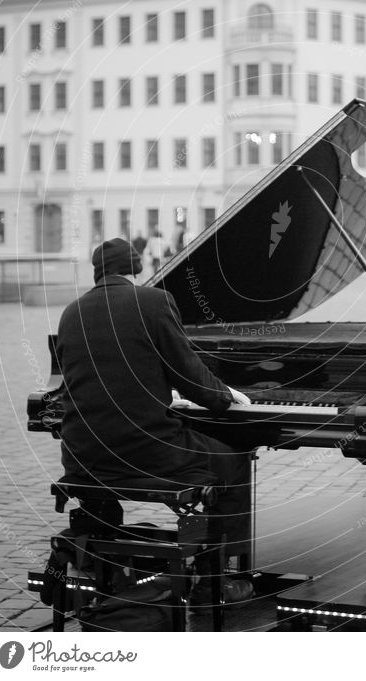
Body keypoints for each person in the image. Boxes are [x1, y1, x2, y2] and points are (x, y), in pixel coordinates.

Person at [55, 237, 253, 609]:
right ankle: (219, 582)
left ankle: (108, 568)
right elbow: (190, 375)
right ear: (136, 267)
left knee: (110, 473)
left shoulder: (71, 312)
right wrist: (226, 396)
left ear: (97, 272)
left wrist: (153, 391)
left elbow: (92, 378)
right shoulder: (153, 302)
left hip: (84, 456)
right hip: (147, 452)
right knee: (235, 460)